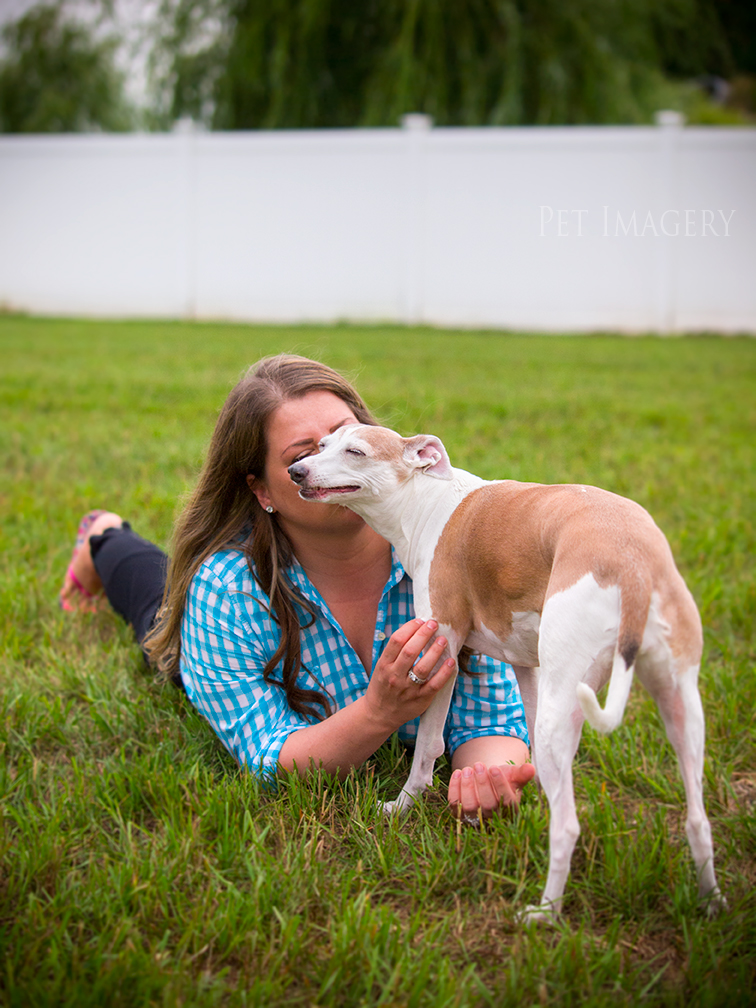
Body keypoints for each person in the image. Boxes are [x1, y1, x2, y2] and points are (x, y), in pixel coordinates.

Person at [60, 354, 535, 818]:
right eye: (304, 455)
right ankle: (104, 537)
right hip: (218, 624)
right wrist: (378, 712)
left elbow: (492, 715)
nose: (329, 459)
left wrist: (490, 774)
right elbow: (268, 758)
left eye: (346, 440)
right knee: (156, 608)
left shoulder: (451, 554)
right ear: (263, 491)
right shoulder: (226, 592)